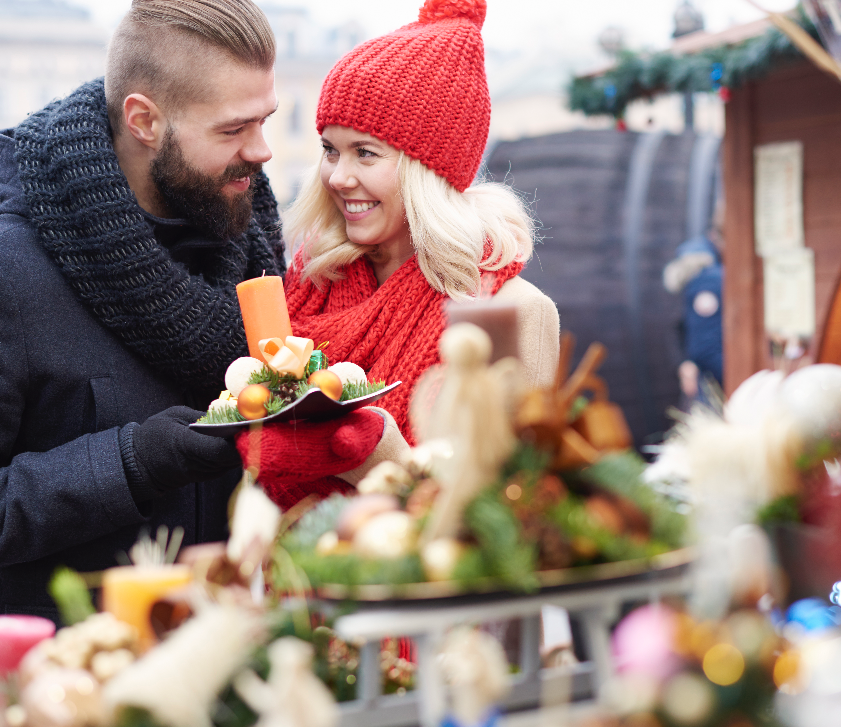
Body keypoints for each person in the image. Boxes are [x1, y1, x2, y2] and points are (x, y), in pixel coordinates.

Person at [0, 0, 287, 621]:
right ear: (144, 120)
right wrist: (130, 462)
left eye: (266, 120)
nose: (263, 151)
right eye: (234, 130)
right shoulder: (12, 264)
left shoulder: (254, 241)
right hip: (72, 683)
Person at [239, 0, 561, 510]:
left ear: (429, 170)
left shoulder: (514, 312)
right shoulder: (310, 287)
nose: (339, 177)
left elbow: (510, 514)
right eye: (330, 150)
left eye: (365, 152)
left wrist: (381, 454)